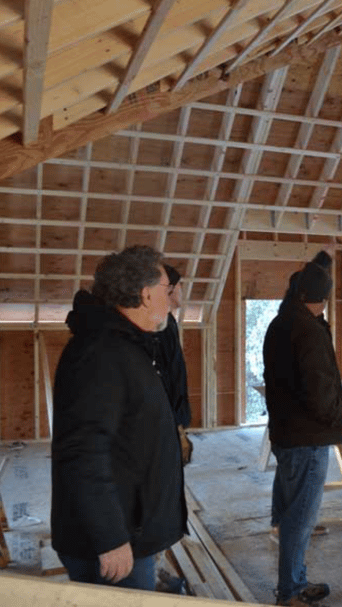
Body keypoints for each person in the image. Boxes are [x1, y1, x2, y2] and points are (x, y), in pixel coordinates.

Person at [51, 245, 186, 591]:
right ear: (146, 295)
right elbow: (82, 453)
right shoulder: (101, 354)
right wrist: (110, 537)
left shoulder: (124, 346)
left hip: (131, 526)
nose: (171, 300)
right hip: (115, 541)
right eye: (166, 289)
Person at [263, 251, 342, 607]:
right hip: (308, 437)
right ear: (318, 299)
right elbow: (319, 389)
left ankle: (295, 580)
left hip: (287, 433)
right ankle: (290, 591)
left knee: (292, 513)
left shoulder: (281, 323)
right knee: (300, 517)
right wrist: (336, 420)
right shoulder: (308, 331)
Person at [155, 263, 193, 465]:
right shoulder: (161, 326)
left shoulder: (168, 322)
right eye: (180, 286)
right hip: (166, 419)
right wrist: (177, 423)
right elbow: (168, 375)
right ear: (169, 289)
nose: (182, 291)